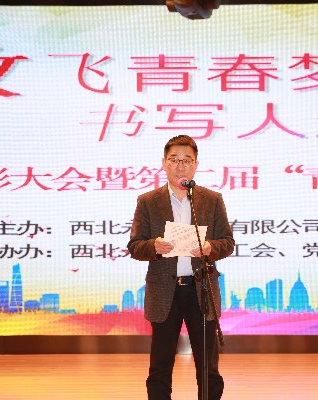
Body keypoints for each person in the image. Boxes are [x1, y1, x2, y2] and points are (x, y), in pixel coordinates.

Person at [127, 135, 235, 400]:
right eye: (174, 160)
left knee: (208, 367)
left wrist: (210, 248)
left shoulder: (212, 199)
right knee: (160, 366)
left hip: (201, 291)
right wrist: (154, 246)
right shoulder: (148, 201)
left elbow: (227, 242)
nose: (180, 166)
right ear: (164, 163)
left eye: (187, 160)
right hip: (165, 292)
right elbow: (135, 246)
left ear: (196, 164)